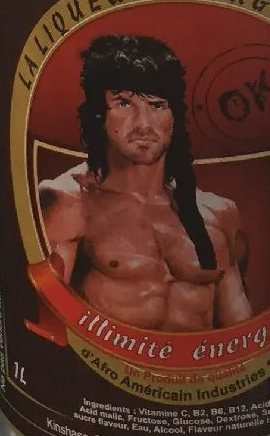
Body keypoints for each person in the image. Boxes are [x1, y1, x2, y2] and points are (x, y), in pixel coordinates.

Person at [42, 33, 251, 331]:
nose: (143, 123)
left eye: (157, 105)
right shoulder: (68, 204)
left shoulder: (219, 214)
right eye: (124, 103)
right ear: (98, 114)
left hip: (198, 361)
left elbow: (240, 331)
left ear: (174, 116)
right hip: (104, 362)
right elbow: (49, 324)